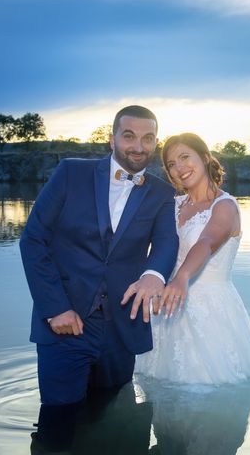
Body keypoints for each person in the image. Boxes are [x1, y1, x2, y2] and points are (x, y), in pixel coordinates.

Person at [20, 105, 178, 449]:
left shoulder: (162, 193)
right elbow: (33, 240)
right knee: (57, 423)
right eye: (129, 136)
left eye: (148, 138)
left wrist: (154, 274)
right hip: (65, 324)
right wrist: (54, 308)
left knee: (115, 422)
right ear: (112, 139)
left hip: (123, 327)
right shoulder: (70, 173)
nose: (139, 146)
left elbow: (167, 242)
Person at [133, 132, 250, 384]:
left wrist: (182, 277)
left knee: (208, 389)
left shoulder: (225, 206)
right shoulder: (171, 205)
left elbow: (206, 242)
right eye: (171, 164)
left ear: (206, 158)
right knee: (158, 389)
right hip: (166, 307)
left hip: (211, 312)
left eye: (185, 157)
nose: (179, 168)